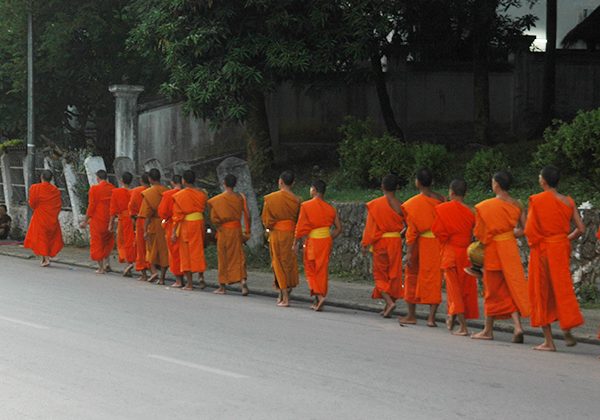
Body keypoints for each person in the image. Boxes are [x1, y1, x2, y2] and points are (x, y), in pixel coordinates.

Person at [525, 166, 585, 351]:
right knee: (562, 288)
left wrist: (537, 241)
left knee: (542, 292)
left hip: (543, 250)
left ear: (543, 181)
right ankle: (567, 327)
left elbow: (529, 230)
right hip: (560, 248)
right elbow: (581, 229)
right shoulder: (568, 201)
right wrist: (564, 238)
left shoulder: (537, 200)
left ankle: (549, 341)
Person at [471, 171, 530, 343]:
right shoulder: (517, 204)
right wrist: (508, 235)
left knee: (492, 291)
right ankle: (517, 327)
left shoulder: (485, 206)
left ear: (496, 184)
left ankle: (488, 330)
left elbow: (480, 234)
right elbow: (524, 229)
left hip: (494, 251)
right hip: (510, 249)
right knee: (509, 289)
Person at [398, 168, 445, 327]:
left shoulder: (412, 204)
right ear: (432, 182)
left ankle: (411, 315)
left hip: (419, 243)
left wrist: (409, 253)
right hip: (437, 243)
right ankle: (431, 318)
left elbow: (411, 231)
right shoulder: (441, 199)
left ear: (417, 182)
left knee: (411, 275)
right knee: (434, 279)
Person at [431, 179, 479, 336]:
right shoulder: (472, 212)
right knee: (464, 290)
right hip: (466, 254)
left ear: (451, 192)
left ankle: (463, 327)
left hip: (451, 253)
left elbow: (438, 232)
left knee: (454, 291)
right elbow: (476, 233)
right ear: (465, 194)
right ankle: (452, 316)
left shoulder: (443, 209)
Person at [360, 174, 405, 318]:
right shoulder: (401, 205)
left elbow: (370, 227)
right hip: (395, 242)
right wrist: (400, 234)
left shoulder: (376, 204)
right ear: (397, 187)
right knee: (394, 273)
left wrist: (365, 243)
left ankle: (389, 302)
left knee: (380, 274)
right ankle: (388, 306)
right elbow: (409, 226)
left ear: (382, 187)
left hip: (382, 242)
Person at [293, 179, 342, 312]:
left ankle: (319, 297)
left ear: (314, 190)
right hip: (325, 241)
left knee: (311, 269)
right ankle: (318, 299)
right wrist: (328, 237)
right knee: (322, 270)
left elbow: (301, 227)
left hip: (313, 241)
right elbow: (338, 228)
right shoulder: (330, 208)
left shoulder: (306, 206)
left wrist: (295, 243)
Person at [261, 170, 301, 307]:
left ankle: (285, 297)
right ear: (293, 183)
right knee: (288, 263)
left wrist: (269, 227)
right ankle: (284, 292)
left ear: (280, 181)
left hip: (277, 234)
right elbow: (299, 220)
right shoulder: (297, 200)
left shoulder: (271, 198)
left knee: (278, 264)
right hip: (291, 234)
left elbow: (266, 220)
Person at [207, 174, 251, 295]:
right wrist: (247, 231)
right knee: (238, 256)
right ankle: (243, 282)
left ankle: (222, 286)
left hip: (224, 231)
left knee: (223, 257)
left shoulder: (217, 200)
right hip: (236, 230)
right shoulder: (240, 198)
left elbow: (214, 219)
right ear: (235, 184)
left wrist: (218, 227)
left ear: (224, 183)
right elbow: (247, 215)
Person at [172, 170, 208, 291]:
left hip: (187, 225)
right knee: (198, 250)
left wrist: (173, 232)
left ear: (183, 181)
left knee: (186, 252)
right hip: (199, 223)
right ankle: (201, 278)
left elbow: (177, 216)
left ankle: (190, 284)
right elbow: (204, 210)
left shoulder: (180, 195)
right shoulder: (202, 194)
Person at [23, 170, 63, 266]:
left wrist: (37, 208)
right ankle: (45, 258)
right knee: (49, 237)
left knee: (41, 237)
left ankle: (46, 259)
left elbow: (32, 203)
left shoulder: (35, 188)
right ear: (51, 179)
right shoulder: (55, 190)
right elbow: (58, 205)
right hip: (51, 216)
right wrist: (53, 214)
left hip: (40, 215)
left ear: (41, 177)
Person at [81, 170, 115, 274]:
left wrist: (85, 221)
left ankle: (101, 268)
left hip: (98, 219)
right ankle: (107, 263)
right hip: (109, 219)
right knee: (107, 242)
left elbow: (91, 207)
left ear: (98, 178)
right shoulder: (112, 188)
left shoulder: (94, 189)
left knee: (97, 243)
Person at [139, 168, 169, 284]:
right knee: (164, 251)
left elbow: (147, 214)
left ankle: (154, 272)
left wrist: (145, 230)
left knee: (151, 250)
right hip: (165, 223)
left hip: (154, 223)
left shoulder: (149, 193)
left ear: (150, 179)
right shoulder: (166, 190)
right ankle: (162, 277)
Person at [158, 174, 185, 288]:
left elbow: (163, 212)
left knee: (174, 252)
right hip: (187, 225)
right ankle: (186, 279)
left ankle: (178, 280)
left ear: (172, 182)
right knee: (184, 252)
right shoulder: (187, 194)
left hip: (173, 225)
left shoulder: (168, 195)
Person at [109, 171, 136, 277]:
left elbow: (113, 210)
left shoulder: (116, 192)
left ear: (121, 180)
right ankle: (129, 264)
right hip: (133, 219)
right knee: (131, 240)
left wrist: (111, 224)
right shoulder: (134, 192)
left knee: (122, 242)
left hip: (123, 219)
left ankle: (129, 263)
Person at [129, 173, 150, 281]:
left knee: (141, 247)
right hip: (154, 221)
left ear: (141, 181)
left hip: (140, 220)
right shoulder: (155, 191)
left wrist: (133, 219)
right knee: (152, 247)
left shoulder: (136, 191)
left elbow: (131, 207)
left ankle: (144, 274)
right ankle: (155, 271)